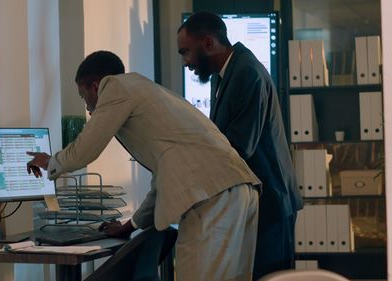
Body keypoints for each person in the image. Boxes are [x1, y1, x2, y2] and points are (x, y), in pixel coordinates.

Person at [27, 50, 261, 281]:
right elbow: (164, 179)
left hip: (211, 197)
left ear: (97, 86)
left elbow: (87, 147)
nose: (88, 109)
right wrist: (131, 225)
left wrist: (51, 161)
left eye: (83, 96)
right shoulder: (147, 91)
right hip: (238, 190)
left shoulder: (115, 87)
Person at [177, 12, 304, 280]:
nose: (186, 63)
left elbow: (238, 147)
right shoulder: (223, 75)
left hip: (271, 200)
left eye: (186, 52)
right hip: (254, 200)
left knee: (270, 277)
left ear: (208, 43)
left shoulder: (247, 73)